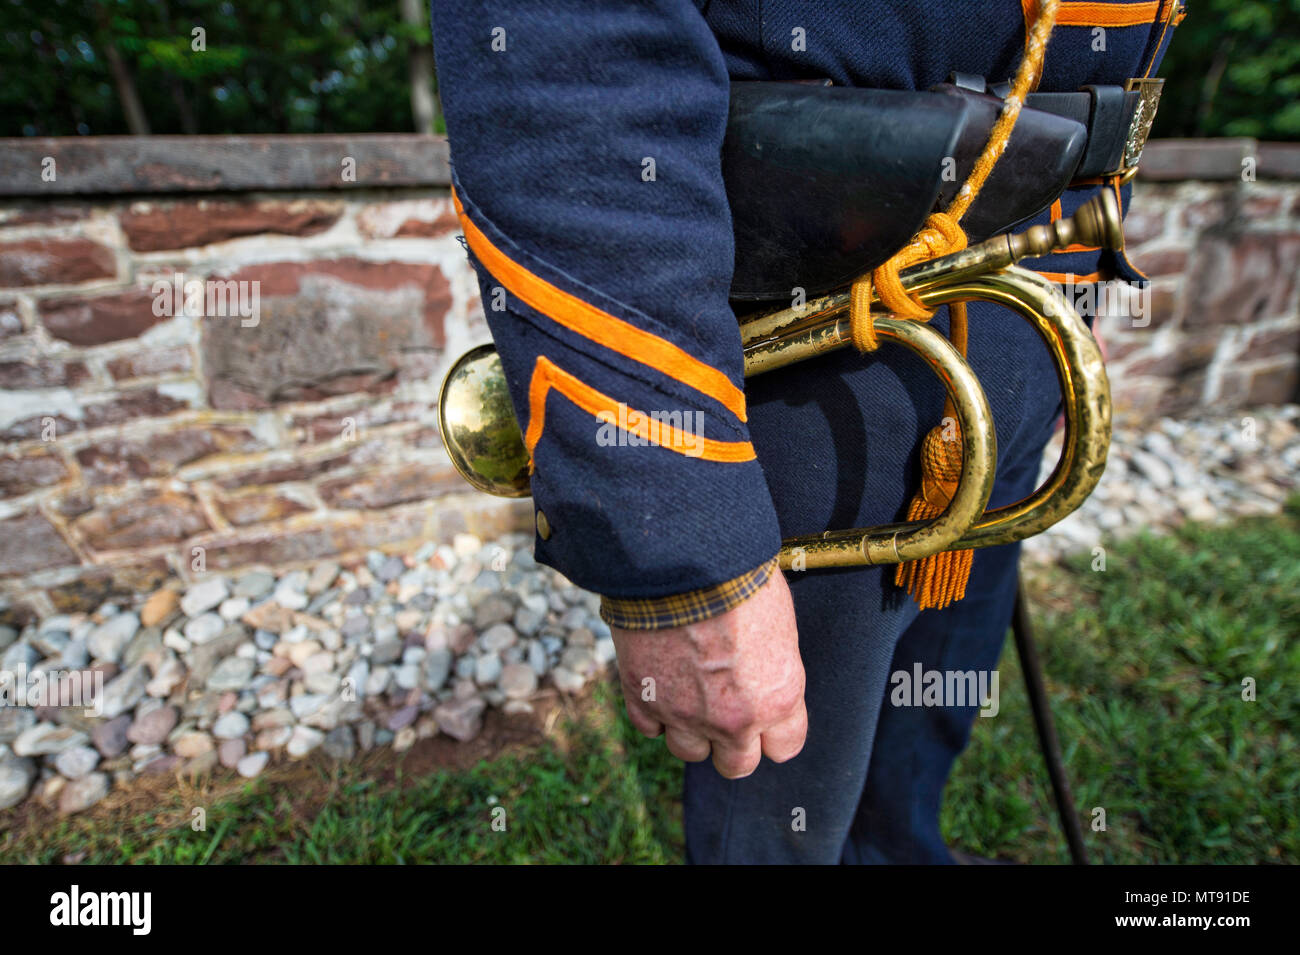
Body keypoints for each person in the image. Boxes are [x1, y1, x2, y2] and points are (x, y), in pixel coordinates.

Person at [429, 0, 1183, 863]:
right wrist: (682, 548)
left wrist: (1068, 313)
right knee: (780, 816)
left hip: (1027, 291)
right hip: (820, 342)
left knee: (925, 724)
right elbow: (570, 64)